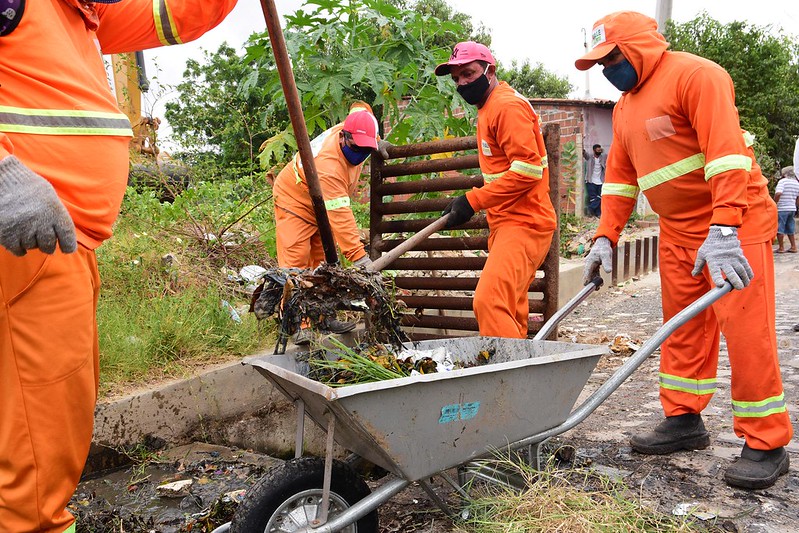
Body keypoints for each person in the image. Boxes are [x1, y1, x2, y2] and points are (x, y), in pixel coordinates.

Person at [0, 2, 240, 532]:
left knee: (38, 441)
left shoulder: (79, 14)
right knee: (36, 477)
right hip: (21, 245)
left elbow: (176, 14)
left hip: (59, 248)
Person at [577, 11, 792, 490]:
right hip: (676, 230)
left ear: (641, 45)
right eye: (601, 62)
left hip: (733, 224)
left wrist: (724, 229)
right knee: (683, 328)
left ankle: (767, 442)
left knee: (745, 331)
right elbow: (618, 180)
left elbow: (728, 155)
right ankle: (683, 419)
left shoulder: (697, 76)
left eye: (613, 57)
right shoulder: (626, 107)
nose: (608, 70)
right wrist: (605, 236)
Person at [434, 41, 557, 338]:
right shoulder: (488, 107)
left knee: (489, 301)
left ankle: (508, 380)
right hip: (508, 223)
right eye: (456, 78)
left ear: (490, 70)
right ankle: (524, 378)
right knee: (510, 309)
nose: (462, 83)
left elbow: (528, 170)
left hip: (524, 223)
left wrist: (473, 200)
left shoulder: (505, 106)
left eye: (469, 73)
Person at [272, 102, 381, 344]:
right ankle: (296, 322)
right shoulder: (329, 167)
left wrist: (378, 144)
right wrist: (359, 258)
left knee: (322, 264)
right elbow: (341, 216)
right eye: (356, 147)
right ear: (343, 136)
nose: (360, 154)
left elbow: (360, 109)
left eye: (367, 149)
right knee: (296, 263)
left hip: (322, 202)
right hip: (295, 199)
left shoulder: (359, 128)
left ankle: (322, 316)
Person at [774, 165, 799, 253]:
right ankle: (793, 247)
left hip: (782, 208)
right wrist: (795, 206)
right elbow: (798, 198)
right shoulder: (796, 183)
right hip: (792, 208)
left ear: (784, 174)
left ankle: (781, 248)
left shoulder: (783, 182)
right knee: (790, 227)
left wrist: (775, 202)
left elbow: (778, 193)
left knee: (780, 228)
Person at [583, 144, 607, 216]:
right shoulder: (590, 157)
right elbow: (584, 153)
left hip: (600, 181)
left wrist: (602, 150)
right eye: (598, 150)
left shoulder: (603, 157)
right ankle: (597, 213)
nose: (599, 151)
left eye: (600, 150)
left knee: (600, 197)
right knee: (593, 198)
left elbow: (607, 155)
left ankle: (591, 209)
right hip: (591, 181)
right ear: (594, 151)